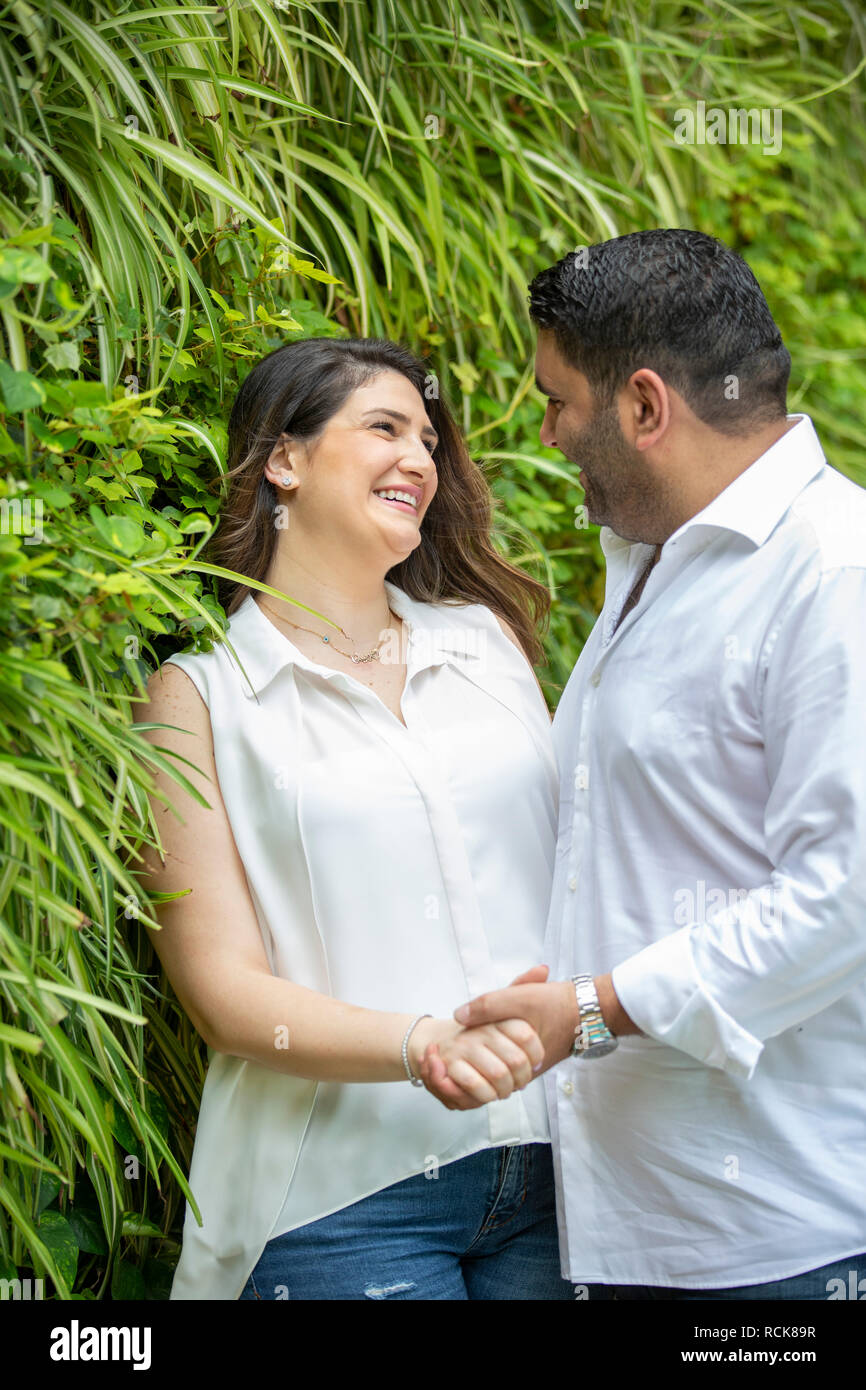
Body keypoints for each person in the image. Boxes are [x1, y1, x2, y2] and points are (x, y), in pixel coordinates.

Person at [421, 228, 866, 1300]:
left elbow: (843, 895)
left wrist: (590, 1006)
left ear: (645, 407)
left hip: (777, 1241)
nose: (545, 431)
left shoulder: (832, 573)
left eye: (557, 400)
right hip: (631, 1224)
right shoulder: (649, 557)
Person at [135, 336, 576, 1300]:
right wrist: (420, 1044)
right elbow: (220, 988)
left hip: (560, 1171)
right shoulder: (201, 697)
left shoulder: (489, 647)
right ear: (282, 461)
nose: (419, 458)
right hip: (341, 1197)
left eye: (428, 439)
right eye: (384, 428)